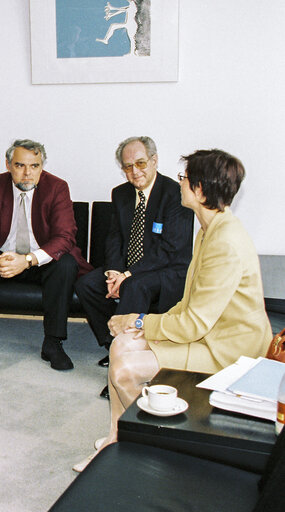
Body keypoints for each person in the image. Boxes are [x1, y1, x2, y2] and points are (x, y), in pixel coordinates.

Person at [74, 149, 272, 472]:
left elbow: (193, 323)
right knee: (121, 344)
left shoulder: (225, 243)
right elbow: (189, 302)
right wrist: (138, 326)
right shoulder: (211, 228)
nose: (179, 183)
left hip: (229, 351)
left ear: (201, 191)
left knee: (125, 369)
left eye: (184, 179)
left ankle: (145, 445)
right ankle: (116, 436)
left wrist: (139, 320)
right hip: (210, 334)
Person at [0, 139, 93, 370]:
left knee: (66, 264)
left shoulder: (57, 187)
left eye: (35, 166)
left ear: (42, 166)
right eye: (20, 165)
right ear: (8, 165)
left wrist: (27, 260)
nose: (27, 173)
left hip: (40, 260)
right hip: (4, 259)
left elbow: (65, 236)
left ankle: (53, 342)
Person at [75, 136, 193, 399]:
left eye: (140, 163)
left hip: (168, 269)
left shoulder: (176, 194)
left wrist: (128, 275)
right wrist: (113, 272)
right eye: (127, 166)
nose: (134, 172)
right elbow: (115, 236)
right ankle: (113, 344)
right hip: (128, 268)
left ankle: (124, 366)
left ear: (154, 160)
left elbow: (170, 249)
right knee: (86, 284)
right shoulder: (121, 194)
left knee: (136, 285)